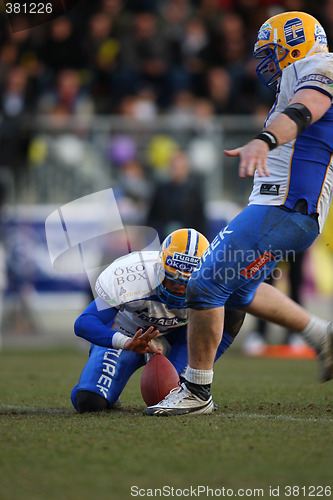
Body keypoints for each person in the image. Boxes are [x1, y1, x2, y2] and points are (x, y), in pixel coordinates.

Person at [144, 11, 333, 416]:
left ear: (294, 44)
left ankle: (196, 392)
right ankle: (322, 336)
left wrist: (264, 140)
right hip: (280, 206)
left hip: (287, 205)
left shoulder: (321, 66)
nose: (266, 61)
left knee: (205, 285)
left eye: (272, 51)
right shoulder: (302, 72)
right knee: (239, 289)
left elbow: (307, 107)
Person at [71, 228, 245, 412]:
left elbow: (235, 311)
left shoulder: (215, 279)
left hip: (178, 339)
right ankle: (110, 386)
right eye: (173, 278)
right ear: (160, 268)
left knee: (234, 309)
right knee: (90, 401)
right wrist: (124, 342)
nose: (179, 287)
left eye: (187, 281)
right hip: (127, 333)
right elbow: (85, 323)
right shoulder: (130, 276)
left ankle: (192, 384)